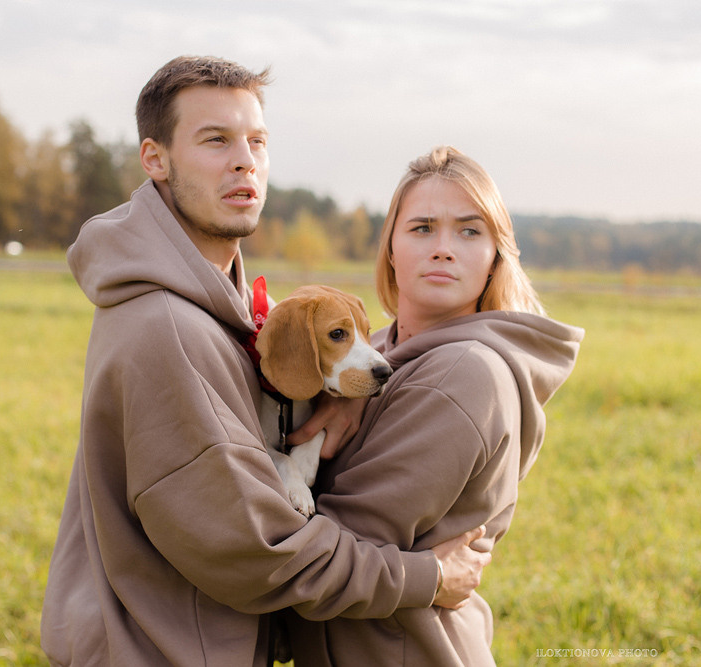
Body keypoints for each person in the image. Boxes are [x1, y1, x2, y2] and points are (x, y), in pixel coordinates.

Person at [41, 57, 490, 666]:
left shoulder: (215, 306)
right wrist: (426, 579)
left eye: (257, 141)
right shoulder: (170, 329)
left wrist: (344, 391)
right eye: (215, 140)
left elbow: (302, 355)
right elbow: (261, 552)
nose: (244, 160)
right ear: (155, 159)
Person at [284, 146, 584, 665]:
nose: (443, 248)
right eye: (422, 228)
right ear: (392, 249)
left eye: (470, 231)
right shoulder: (375, 353)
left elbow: (320, 564)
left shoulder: (461, 374)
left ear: (495, 257)